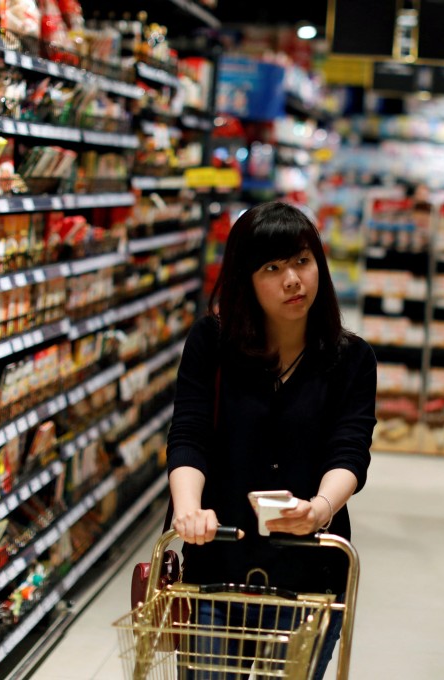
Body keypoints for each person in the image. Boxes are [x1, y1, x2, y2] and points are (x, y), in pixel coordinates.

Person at [166, 201, 377, 679]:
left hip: (311, 571)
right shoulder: (212, 343)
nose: (292, 280)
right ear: (245, 278)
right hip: (216, 564)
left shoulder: (351, 359)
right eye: (272, 267)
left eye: (302, 262)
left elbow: (350, 448)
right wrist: (188, 508)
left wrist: (321, 509)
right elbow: (190, 432)